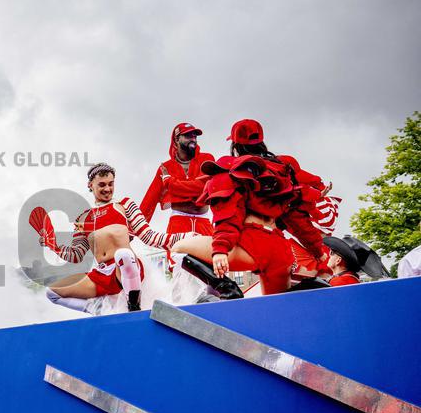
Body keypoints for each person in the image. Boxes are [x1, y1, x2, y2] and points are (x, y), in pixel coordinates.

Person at [171, 119, 329, 295]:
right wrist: (318, 251)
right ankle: (312, 287)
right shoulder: (283, 171)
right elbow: (297, 220)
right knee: (275, 310)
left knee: (178, 248)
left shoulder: (234, 171)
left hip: (252, 246)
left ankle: (228, 290)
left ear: (235, 144)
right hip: (280, 251)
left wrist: (220, 250)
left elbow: (229, 215)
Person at [33, 163, 191, 312]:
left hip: (125, 269)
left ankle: (133, 305)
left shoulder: (124, 205)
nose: (108, 189)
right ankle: (97, 308)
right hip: (101, 275)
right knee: (51, 292)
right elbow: (76, 255)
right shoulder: (83, 218)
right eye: (102, 185)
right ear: (90, 185)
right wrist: (52, 244)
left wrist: (184, 237)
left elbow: (150, 237)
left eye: (111, 184)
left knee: (123, 254)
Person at [140, 123, 214, 236]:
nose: (193, 138)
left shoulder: (207, 159)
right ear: (176, 139)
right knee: (177, 254)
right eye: (188, 135)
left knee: (210, 253)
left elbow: (201, 188)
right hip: (178, 222)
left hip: (203, 222)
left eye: (195, 136)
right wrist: (133, 230)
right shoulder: (166, 168)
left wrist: (170, 183)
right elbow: (150, 199)